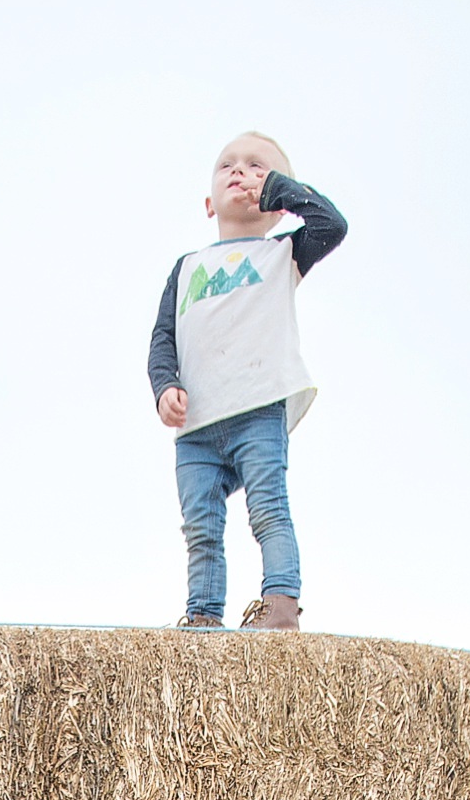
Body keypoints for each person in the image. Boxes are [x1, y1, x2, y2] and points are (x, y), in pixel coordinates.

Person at [148, 133, 347, 631]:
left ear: (279, 203)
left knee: (267, 508)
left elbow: (333, 224)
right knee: (201, 528)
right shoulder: (187, 268)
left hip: (258, 406)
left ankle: (279, 607)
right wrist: (163, 386)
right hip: (196, 424)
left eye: (257, 167)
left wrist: (279, 188)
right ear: (208, 203)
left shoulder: (283, 254)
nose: (240, 172)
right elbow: (163, 337)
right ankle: (202, 617)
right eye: (227, 166)